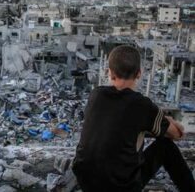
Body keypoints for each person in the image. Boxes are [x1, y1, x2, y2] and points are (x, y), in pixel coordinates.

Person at [72, 45, 194, 192]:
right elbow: (176, 134)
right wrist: (169, 121)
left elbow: (120, 125)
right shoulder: (142, 105)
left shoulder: (95, 95)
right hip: (122, 187)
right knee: (165, 146)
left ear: (109, 73)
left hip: (86, 182)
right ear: (139, 74)